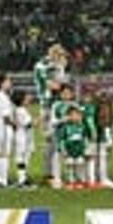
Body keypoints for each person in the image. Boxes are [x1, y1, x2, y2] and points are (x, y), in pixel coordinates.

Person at [33, 44, 68, 187]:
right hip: (47, 106)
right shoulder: (43, 66)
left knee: (56, 140)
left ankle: (54, 173)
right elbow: (53, 86)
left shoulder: (54, 66)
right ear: (53, 53)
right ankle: (49, 174)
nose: (61, 58)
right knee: (50, 141)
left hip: (57, 105)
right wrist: (61, 70)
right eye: (59, 55)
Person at [10, 88, 36, 188]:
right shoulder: (20, 110)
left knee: (25, 158)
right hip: (22, 136)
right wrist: (39, 120)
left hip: (25, 136)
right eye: (26, 97)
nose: (28, 99)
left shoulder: (21, 109)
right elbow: (28, 124)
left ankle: (23, 178)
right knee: (21, 158)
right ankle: (22, 180)